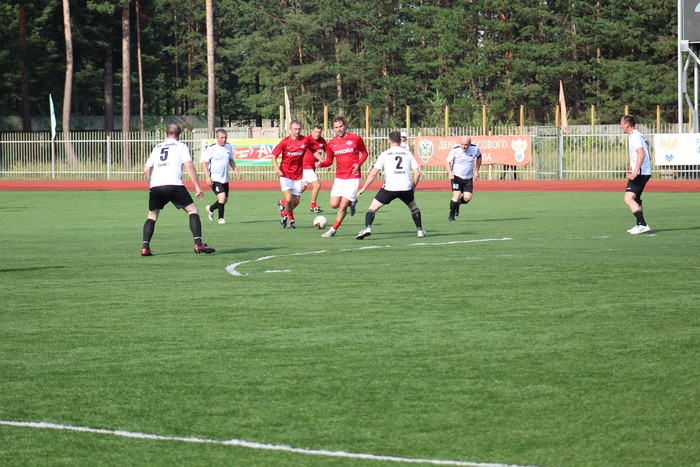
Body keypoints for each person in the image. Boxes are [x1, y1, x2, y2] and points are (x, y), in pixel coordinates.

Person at [141, 123, 215, 256]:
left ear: (165, 134)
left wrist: (151, 184)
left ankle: (145, 248)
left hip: (156, 185)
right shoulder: (181, 146)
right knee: (192, 210)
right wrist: (197, 186)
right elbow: (189, 165)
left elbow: (146, 169)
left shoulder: (157, 147)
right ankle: (198, 244)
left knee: (152, 215)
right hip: (173, 184)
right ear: (180, 135)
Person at [355, 131, 426, 239]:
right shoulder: (407, 153)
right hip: (405, 187)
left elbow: (373, 173)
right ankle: (420, 231)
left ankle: (368, 228)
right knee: (413, 208)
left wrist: (363, 188)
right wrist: (413, 188)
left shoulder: (385, 154)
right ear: (400, 140)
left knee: (372, 208)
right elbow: (417, 173)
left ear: (389, 141)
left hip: (390, 187)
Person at [317, 116, 369, 237]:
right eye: (336, 127)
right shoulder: (332, 143)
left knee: (343, 204)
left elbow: (365, 153)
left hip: (353, 177)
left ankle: (332, 230)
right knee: (334, 204)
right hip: (340, 178)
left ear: (345, 126)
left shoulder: (356, 139)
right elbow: (329, 161)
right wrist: (321, 164)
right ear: (333, 129)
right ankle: (352, 202)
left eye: (340, 126)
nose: (339, 129)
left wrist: (358, 164)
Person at [272, 120, 308, 229]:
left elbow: (314, 150)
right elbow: (273, 156)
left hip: (298, 174)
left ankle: (284, 214)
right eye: (295, 129)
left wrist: (320, 160)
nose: (297, 131)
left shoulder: (305, 140)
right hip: (285, 174)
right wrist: (277, 169)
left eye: (299, 129)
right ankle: (291, 220)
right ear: (290, 130)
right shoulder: (285, 142)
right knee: (288, 199)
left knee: (296, 202)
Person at [620, 114, 652, 234]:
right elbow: (648, 156)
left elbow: (641, 154)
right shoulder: (640, 135)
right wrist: (635, 169)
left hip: (640, 173)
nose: (620, 126)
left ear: (627, 125)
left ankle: (643, 224)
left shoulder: (634, 136)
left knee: (628, 199)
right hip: (643, 171)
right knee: (636, 199)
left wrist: (635, 172)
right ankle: (639, 224)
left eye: (622, 123)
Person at [202, 128, 241, 224]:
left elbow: (231, 160)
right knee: (222, 198)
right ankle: (221, 218)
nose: (224, 139)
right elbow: (204, 163)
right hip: (215, 178)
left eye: (225, 137)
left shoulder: (228, 147)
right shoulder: (211, 148)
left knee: (224, 200)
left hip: (225, 178)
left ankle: (210, 209)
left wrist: (236, 170)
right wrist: (207, 177)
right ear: (217, 138)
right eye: (222, 137)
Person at [445, 135, 481, 222]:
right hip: (456, 176)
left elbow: (479, 157)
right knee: (456, 195)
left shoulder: (475, 148)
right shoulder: (455, 149)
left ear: (470, 144)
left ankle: (458, 204)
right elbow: (447, 162)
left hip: (468, 177)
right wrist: (450, 173)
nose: (464, 146)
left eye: (466, 145)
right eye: (462, 144)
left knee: (467, 198)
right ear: (459, 143)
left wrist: (476, 170)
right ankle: (451, 216)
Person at [301, 124, 327, 213]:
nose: (317, 134)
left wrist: (328, 162)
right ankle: (313, 205)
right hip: (305, 166)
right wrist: (323, 163)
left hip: (311, 168)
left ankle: (283, 202)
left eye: (319, 132)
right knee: (317, 185)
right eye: (316, 132)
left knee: (301, 189)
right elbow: (315, 153)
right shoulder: (308, 140)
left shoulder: (322, 141)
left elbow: (328, 152)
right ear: (312, 131)